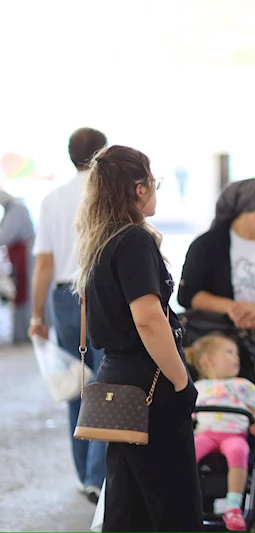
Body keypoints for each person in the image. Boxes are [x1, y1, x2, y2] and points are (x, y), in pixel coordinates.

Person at [75, 145, 202, 530]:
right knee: (172, 505)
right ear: (139, 188)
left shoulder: (101, 238)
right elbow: (148, 319)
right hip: (151, 384)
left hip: (119, 380)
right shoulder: (133, 239)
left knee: (128, 504)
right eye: (154, 182)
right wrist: (181, 381)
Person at [177, 178, 255, 445]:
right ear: (246, 208)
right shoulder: (209, 244)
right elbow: (188, 295)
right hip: (216, 350)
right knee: (213, 429)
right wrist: (232, 309)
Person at [28, 127, 108, 503]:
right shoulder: (108, 192)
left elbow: (44, 263)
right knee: (107, 383)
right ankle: (97, 475)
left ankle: (83, 472)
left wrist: (37, 315)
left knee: (77, 383)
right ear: (103, 153)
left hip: (64, 297)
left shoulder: (53, 199)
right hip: (104, 294)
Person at [185, 333, 255, 531]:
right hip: (206, 434)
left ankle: (233, 508)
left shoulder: (244, 385)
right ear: (209, 360)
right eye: (229, 352)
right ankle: (180, 498)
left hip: (234, 435)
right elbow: (188, 416)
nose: (237, 357)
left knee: (239, 451)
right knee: (187, 453)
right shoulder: (198, 388)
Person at [0, 189, 35, 344]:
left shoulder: (16, 210)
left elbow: (5, 236)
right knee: (20, 295)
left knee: (24, 295)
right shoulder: (11, 210)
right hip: (18, 256)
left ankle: (23, 333)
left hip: (24, 257)